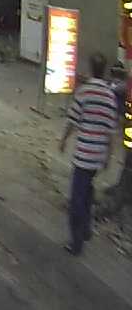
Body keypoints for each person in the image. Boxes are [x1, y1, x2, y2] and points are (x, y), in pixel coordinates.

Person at [59, 52, 120, 256]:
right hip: (98, 156)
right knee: (87, 190)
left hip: (83, 155)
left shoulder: (84, 92)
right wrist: (108, 157)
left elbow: (72, 121)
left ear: (91, 69)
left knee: (77, 198)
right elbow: (111, 132)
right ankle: (86, 228)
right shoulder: (110, 97)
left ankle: (76, 241)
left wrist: (63, 140)